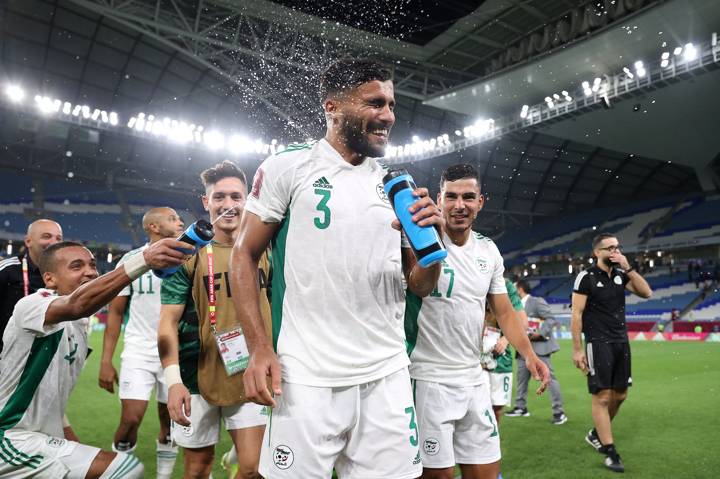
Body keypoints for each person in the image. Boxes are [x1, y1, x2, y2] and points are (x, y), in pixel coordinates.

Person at [230, 58, 444, 478]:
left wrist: (431, 254)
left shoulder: (394, 185)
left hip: (386, 373)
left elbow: (420, 285)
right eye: (375, 103)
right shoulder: (288, 167)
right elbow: (243, 255)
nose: (388, 116)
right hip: (307, 377)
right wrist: (258, 348)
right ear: (332, 107)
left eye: (392, 104)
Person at [406, 164, 550, 479]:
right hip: (426, 378)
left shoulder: (489, 250)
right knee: (438, 475)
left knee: (486, 473)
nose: (460, 205)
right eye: (452, 197)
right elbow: (415, 285)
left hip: (473, 379)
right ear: (440, 199)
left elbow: (504, 312)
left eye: (468, 197)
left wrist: (528, 355)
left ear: (480, 202)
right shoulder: (419, 239)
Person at [0, 238, 188, 477]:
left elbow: (51, 396)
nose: (90, 272)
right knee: (125, 468)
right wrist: (143, 261)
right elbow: (77, 304)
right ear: (50, 279)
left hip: (38, 439)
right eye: (76, 266)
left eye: (92, 265)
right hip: (9, 437)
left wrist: (73, 442)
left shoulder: (79, 326)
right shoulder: (31, 306)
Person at [158, 161, 271, 479]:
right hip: (195, 375)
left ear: (247, 200)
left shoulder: (266, 248)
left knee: (253, 469)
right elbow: (167, 322)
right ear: (206, 202)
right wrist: (173, 381)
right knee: (197, 469)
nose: (228, 205)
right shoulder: (185, 252)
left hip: (251, 371)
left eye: (236, 197)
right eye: (219, 197)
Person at [98, 207, 185, 478]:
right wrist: (105, 360)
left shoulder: (189, 257)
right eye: (172, 219)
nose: (180, 222)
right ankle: (121, 469)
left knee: (171, 422)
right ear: (153, 227)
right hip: (138, 351)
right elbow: (115, 311)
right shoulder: (131, 259)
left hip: (175, 352)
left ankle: (163, 475)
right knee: (130, 420)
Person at [571, 233, 652, 473]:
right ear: (598, 252)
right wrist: (577, 350)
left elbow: (647, 293)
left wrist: (629, 268)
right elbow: (576, 315)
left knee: (621, 396)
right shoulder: (585, 277)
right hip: (597, 343)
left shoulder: (621, 275)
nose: (615, 252)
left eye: (618, 247)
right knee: (602, 397)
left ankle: (596, 434)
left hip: (620, 342)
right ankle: (610, 451)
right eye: (610, 248)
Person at [505, 279, 567, 425]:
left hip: (540, 348)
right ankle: (520, 407)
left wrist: (540, 333)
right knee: (521, 379)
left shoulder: (536, 301)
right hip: (523, 349)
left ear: (519, 289)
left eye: (513, 289)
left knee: (549, 379)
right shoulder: (515, 306)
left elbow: (551, 319)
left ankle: (559, 412)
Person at [0, 219, 63, 352]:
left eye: (58, 238)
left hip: (42, 357)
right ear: (28, 241)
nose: (54, 242)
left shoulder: (65, 276)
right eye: (47, 236)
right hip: (6, 354)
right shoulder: (8, 270)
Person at [484, 278, 527, 424]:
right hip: (469, 356)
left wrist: (505, 339)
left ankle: (492, 444)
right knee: (473, 407)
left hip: (499, 359)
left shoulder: (505, 285)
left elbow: (523, 321)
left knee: (496, 408)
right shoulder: (466, 277)